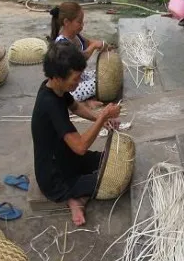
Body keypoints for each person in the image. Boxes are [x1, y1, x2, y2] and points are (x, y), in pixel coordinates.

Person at [31, 41, 121, 226]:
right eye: (75, 79)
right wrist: (102, 116)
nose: (78, 83)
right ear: (57, 77)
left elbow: (75, 106)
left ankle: (79, 194)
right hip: (55, 178)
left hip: (67, 159)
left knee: (113, 161)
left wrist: (100, 119)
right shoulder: (49, 104)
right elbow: (80, 147)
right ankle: (75, 198)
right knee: (116, 180)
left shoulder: (55, 89)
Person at [48, 1, 113, 106]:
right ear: (66, 22)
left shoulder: (75, 36)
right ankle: (84, 103)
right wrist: (94, 46)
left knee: (103, 73)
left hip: (79, 77)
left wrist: (104, 45)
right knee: (103, 82)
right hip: (69, 88)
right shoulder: (61, 44)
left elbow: (88, 42)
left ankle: (86, 100)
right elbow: (80, 59)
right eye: (79, 22)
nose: (82, 25)